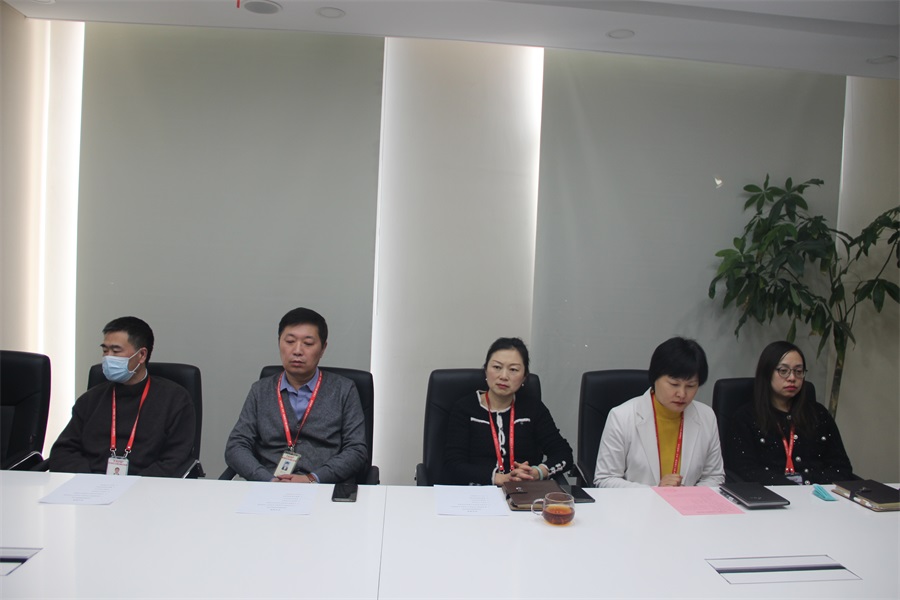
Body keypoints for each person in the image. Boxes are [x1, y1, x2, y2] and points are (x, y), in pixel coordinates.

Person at [225, 307, 367, 483]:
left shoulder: (344, 390)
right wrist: (267, 480)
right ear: (279, 343)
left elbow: (356, 450)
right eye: (290, 341)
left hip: (324, 486)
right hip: (268, 486)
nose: (297, 351)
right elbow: (236, 446)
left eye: (308, 343)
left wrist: (312, 479)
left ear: (323, 348)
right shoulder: (260, 390)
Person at [48, 317, 196, 477]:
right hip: (90, 483)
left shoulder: (175, 399)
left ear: (142, 355)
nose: (108, 357)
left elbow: (175, 459)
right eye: (105, 351)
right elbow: (63, 451)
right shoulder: (91, 399)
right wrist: (88, 480)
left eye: (116, 351)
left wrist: (136, 485)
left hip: (147, 486)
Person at [594, 337, 724, 488]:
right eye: (674, 384)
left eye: (691, 386)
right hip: (637, 503)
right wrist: (655, 492)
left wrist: (688, 495)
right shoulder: (621, 417)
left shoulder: (706, 416)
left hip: (688, 503)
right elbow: (605, 479)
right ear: (655, 378)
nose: (682, 394)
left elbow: (714, 477)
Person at [443, 337, 573, 486]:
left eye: (513, 370)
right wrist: (500, 478)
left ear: (524, 377)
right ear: (485, 370)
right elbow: (453, 464)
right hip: (477, 492)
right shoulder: (465, 408)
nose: (503, 376)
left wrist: (537, 472)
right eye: (497, 367)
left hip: (525, 490)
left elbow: (563, 454)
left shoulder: (533, 408)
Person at [723, 341, 854, 485]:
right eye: (783, 371)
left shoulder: (818, 415)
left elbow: (842, 468)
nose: (792, 378)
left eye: (798, 371)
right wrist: (790, 486)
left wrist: (805, 482)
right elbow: (745, 471)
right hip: (768, 495)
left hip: (817, 494)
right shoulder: (745, 418)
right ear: (767, 373)